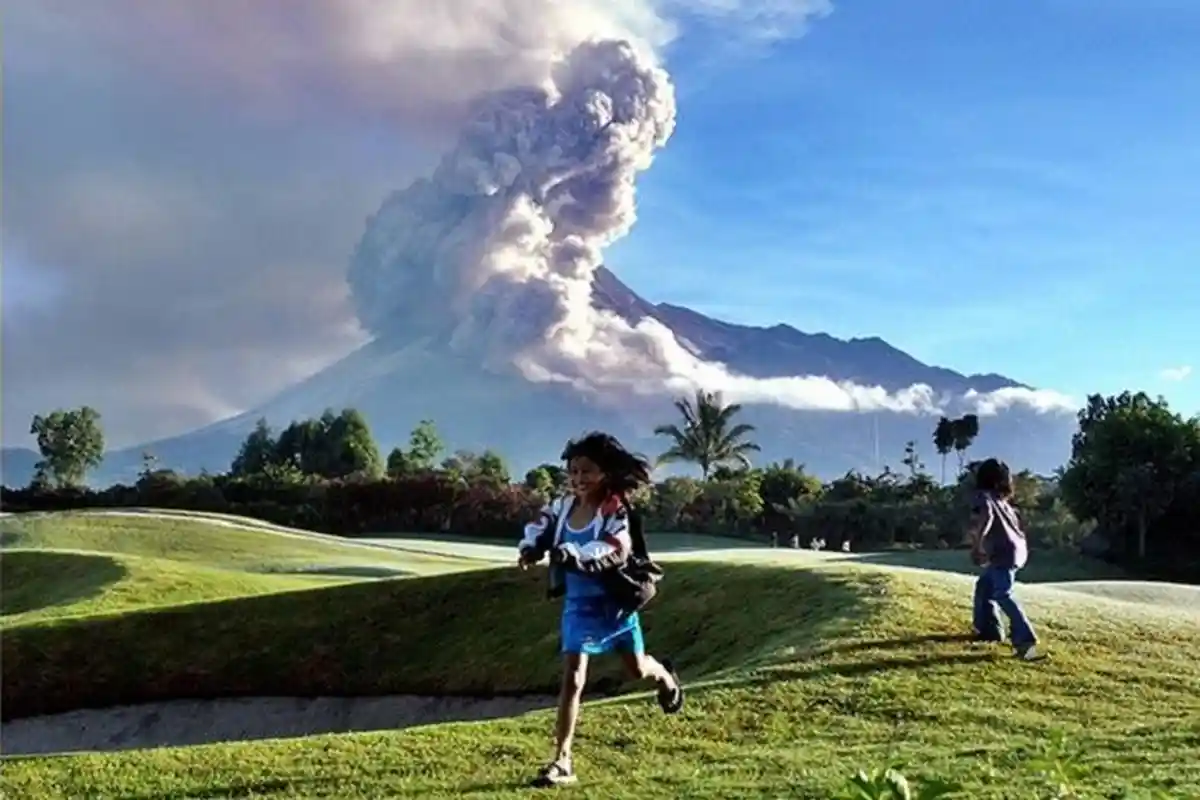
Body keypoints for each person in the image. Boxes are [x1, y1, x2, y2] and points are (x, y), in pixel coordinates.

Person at [517, 432, 684, 787]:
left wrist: (571, 555)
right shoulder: (562, 506)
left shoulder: (614, 510)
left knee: (637, 670)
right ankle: (562, 761)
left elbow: (613, 549)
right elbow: (540, 527)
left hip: (615, 604)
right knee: (573, 677)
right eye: (573, 471)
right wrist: (531, 547)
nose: (578, 479)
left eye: (587, 471)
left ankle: (666, 678)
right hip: (578, 606)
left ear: (605, 473)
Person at [968, 458, 1040, 661]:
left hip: (1003, 552)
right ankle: (990, 631)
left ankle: (1026, 642)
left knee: (1003, 594)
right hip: (1017, 550)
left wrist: (978, 544)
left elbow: (987, 516)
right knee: (985, 586)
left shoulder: (983, 497)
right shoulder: (1004, 502)